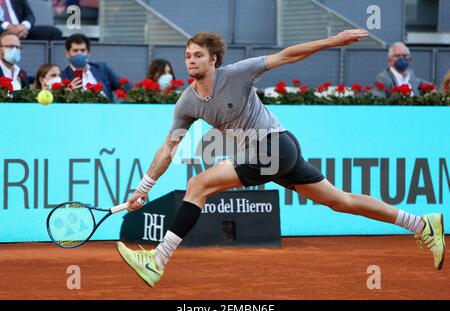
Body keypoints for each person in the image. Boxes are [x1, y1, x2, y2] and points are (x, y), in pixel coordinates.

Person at [117, 30, 445, 287]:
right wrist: (144, 187)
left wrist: (333, 41)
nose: (190, 60)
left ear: (214, 59)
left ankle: (158, 260)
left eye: (198, 55)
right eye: (187, 55)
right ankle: (419, 223)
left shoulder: (238, 73)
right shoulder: (187, 103)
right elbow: (169, 147)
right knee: (340, 201)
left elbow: (288, 56)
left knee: (197, 184)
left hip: (277, 146)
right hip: (266, 155)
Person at [60, 33, 131, 101]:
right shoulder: (62, 77)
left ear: (89, 52)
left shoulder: (101, 69)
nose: (79, 53)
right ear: (67, 54)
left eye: (83, 50)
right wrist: (68, 92)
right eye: (75, 50)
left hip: (106, 111)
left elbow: (126, 87)